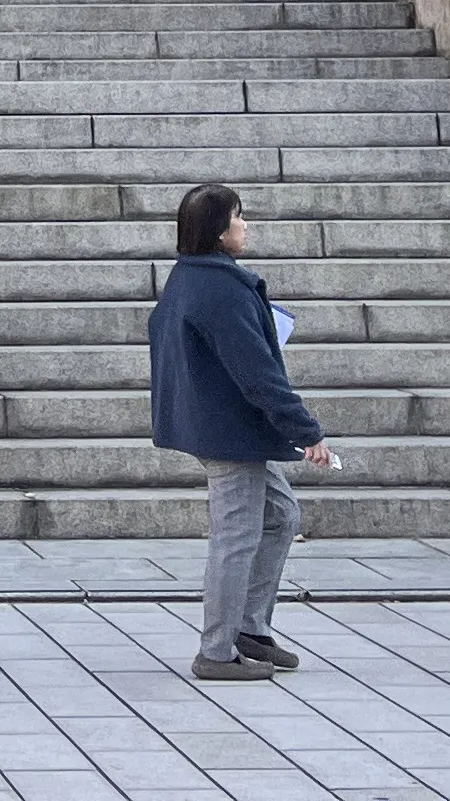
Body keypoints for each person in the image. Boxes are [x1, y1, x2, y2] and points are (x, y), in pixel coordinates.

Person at [146, 180, 335, 682]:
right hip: (227, 431)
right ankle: (216, 649)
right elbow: (258, 372)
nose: (245, 225)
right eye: (238, 217)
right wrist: (306, 431)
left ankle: (249, 628)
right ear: (217, 231)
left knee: (280, 515)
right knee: (235, 536)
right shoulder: (220, 289)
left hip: (222, 427)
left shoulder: (190, 278)